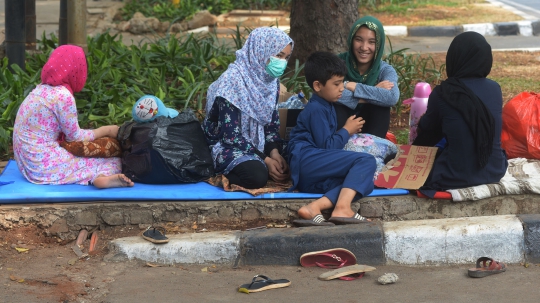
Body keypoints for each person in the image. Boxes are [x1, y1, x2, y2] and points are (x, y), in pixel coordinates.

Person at [13, 45, 134, 189]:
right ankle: (100, 177)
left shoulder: (40, 89)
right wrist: (105, 131)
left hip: (25, 164)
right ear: (76, 71)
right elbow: (74, 137)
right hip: (42, 166)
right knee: (115, 161)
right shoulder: (63, 96)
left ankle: (98, 176)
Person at [287, 51, 377, 227]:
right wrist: (346, 130)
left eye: (342, 82)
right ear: (318, 85)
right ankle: (342, 208)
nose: (342, 88)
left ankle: (314, 208)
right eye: (336, 84)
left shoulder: (327, 105)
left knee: (361, 182)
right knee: (366, 161)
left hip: (312, 175)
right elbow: (327, 147)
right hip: (307, 161)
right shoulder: (316, 109)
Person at [412, 31, 508, 195]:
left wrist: (421, 123)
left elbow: (428, 134)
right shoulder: (495, 89)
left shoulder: (443, 93)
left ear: (454, 57)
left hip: (454, 177)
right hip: (494, 171)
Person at [203, 27, 292, 189]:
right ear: (260, 50)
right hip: (227, 146)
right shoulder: (232, 81)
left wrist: (275, 153)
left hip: (257, 146)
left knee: (296, 157)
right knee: (256, 176)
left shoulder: (271, 82)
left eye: (286, 57)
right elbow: (231, 137)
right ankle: (217, 174)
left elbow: (271, 126)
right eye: (278, 55)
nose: (282, 63)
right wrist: (266, 160)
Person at [335, 16, 400, 138]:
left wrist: (352, 86)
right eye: (359, 40)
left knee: (381, 108)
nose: (364, 47)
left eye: (372, 42)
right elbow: (330, 94)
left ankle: (373, 151)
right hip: (339, 126)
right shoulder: (337, 63)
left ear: (379, 44)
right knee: (337, 106)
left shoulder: (385, 70)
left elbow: (391, 97)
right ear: (351, 39)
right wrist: (374, 91)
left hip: (369, 126)